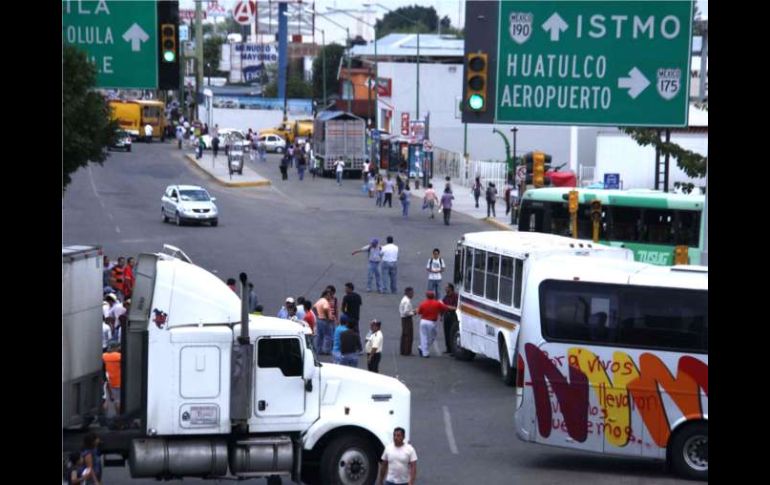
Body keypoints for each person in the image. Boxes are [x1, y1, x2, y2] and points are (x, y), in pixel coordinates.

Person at [416, 290, 456, 358]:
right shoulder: (437, 303)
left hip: (423, 321)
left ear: (427, 296)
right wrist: (454, 308)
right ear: (434, 296)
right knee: (432, 337)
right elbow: (446, 308)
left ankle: (423, 349)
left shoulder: (423, 303)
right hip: (431, 322)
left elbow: (419, 312)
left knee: (423, 337)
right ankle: (424, 351)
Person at [102, 343, 122, 418]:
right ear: (116, 348)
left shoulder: (104, 356)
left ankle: (104, 417)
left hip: (109, 382)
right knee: (118, 401)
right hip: (119, 382)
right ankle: (119, 417)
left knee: (106, 401)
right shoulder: (120, 356)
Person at [313, 289, 334, 355]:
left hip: (319, 320)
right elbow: (325, 309)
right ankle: (327, 350)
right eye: (329, 295)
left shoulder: (320, 300)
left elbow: (314, 308)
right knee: (328, 336)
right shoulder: (325, 301)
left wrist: (317, 315)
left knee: (320, 336)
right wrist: (327, 318)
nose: (330, 297)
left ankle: (319, 350)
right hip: (325, 320)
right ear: (326, 295)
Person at [442, 283, 459, 354]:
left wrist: (447, 307)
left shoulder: (456, 296)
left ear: (450, 288)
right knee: (446, 332)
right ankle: (448, 348)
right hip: (446, 316)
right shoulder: (445, 297)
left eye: (447, 287)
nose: (445, 289)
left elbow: (456, 307)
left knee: (452, 333)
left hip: (453, 316)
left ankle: (453, 350)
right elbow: (442, 307)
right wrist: (441, 315)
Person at [399, 288, 416, 356]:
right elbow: (406, 312)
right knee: (408, 335)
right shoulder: (407, 301)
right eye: (412, 293)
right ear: (408, 293)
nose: (413, 294)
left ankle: (403, 350)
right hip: (407, 319)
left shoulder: (404, 299)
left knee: (404, 334)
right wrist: (414, 313)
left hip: (403, 318)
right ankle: (407, 351)